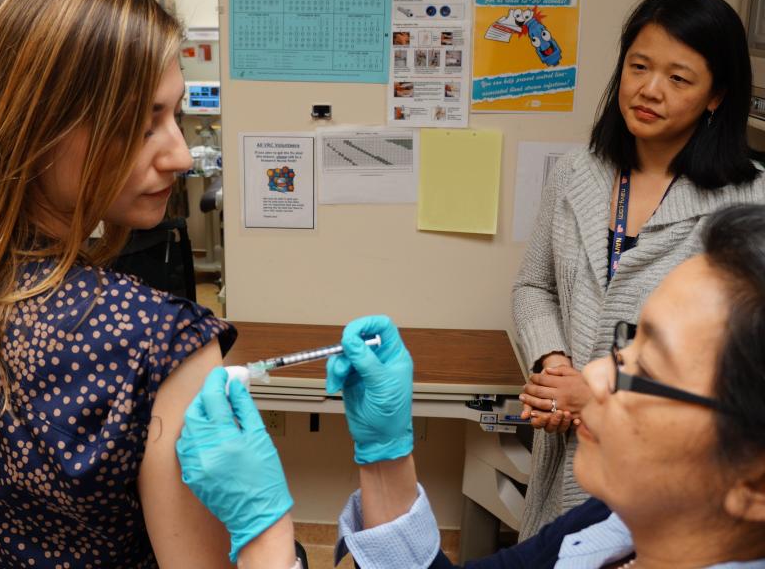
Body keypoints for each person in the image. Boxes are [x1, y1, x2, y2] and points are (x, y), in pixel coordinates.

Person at [178, 204, 765, 568]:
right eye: (625, 342)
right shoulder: (608, 529)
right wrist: (387, 453)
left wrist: (266, 543)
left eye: (649, 370)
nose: (593, 377)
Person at [0, 0, 243, 566]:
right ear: (40, 127)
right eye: (140, 125)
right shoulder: (159, 343)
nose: (181, 156)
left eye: (174, 116)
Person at [512, 0, 765, 537]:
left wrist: (600, 394)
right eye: (639, 66)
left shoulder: (751, 204)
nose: (650, 90)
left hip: (675, 481)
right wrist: (554, 367)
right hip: (568, 460)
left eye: (679, 78)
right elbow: (534, 286)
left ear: (716, 96)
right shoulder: (576, 173)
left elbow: (743, 367)